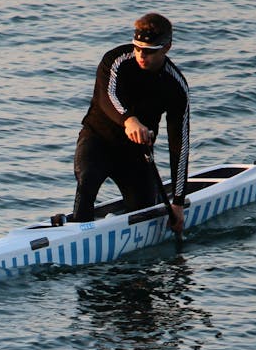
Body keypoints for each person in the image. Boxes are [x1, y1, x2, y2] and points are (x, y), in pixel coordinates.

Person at [71, 12, 190, 232]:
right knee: (87, 181)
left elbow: (179, 146)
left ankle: (116, 222)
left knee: (143, 209)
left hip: (135, 154)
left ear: (167, 47)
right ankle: (78, 229)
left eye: (149, 51)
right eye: (137, 48)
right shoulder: (115, 61)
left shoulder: (176, 87)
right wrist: (129, 120)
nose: (141, 55)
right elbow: (108, 98)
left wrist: (179, 203)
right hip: (98, 140)